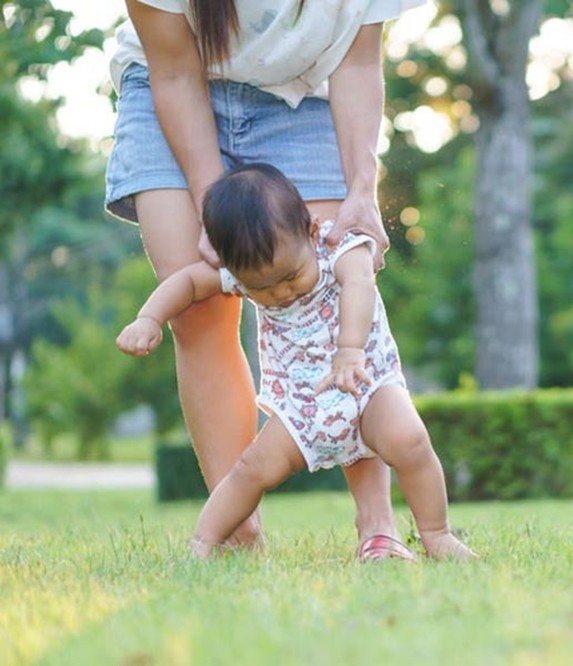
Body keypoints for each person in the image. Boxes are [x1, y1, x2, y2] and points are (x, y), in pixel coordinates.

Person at [105, 0, 426, 559]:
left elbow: (357, 61)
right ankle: (236, 529)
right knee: (198, 307)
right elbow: (175, 69)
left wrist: (361, 191)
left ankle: (377, 526)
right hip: (175, 86)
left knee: (329, 301)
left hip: (302, 95)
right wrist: (213, 207)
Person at [117, 163, 475, 560]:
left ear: (311, 230)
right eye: (261, 288)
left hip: (365, 386)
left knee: (410, 441)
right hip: (299, 408)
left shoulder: (338, 249)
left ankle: (436, 534)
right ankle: (202, 545)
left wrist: (349, 350)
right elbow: (187, 282)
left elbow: (360, 284)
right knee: (250, 469)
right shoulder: (248, 273)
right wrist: (149, 318)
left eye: (291, 276)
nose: (281, 293)